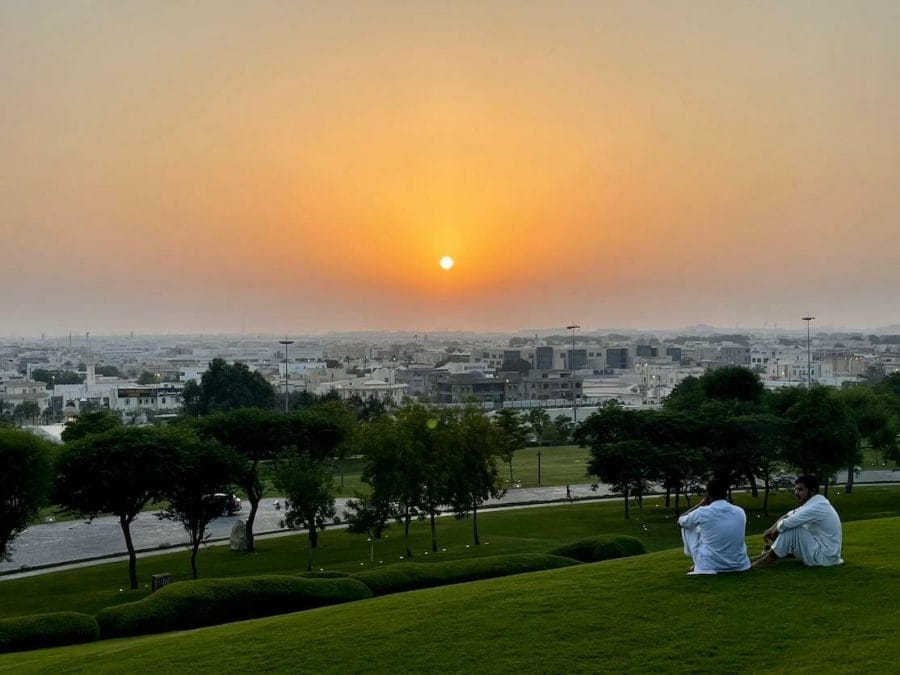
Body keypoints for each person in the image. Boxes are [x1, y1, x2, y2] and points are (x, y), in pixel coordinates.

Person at [752, 474, 843, 568]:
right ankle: (769, 554)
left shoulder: (816, 507)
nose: (795, 493)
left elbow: (785, 524)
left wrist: (774, 531)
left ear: (812, 491)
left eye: (800, 490)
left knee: (793, 529)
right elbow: (788, 515)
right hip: (823, 552)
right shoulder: (815, 502)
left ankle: (768, 559)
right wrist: (771, 529)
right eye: (795, 489)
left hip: (825, 558)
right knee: (791, 525)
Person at [677, 478, 751, 575]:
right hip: (740, 564)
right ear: (726, 494)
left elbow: (680, 521)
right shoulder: (739, 511)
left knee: (688, 526)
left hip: (711, 564)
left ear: (708, 495)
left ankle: (699, 562)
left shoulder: (702, 512)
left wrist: (701, 504)